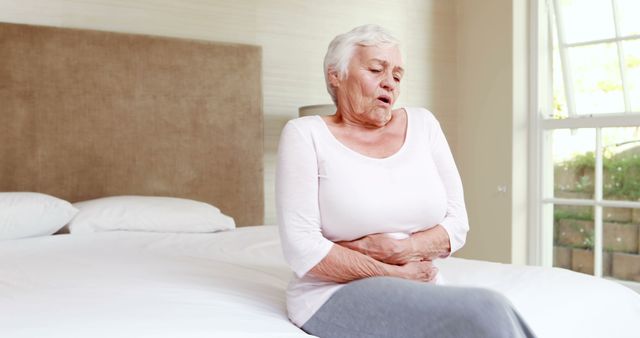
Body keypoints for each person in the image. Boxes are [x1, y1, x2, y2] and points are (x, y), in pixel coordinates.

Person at [276, 24, 535, 338]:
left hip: (423, 283)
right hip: (331, 293)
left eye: (397, 76)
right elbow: (302, 249)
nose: (389, 84)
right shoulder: (305, 134)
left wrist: (402, 250)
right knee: (485, 309)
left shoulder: (423, 124)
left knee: (490, 311)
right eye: (376, 70)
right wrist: (394, 271)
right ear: (336, 75)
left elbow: (457, 224)